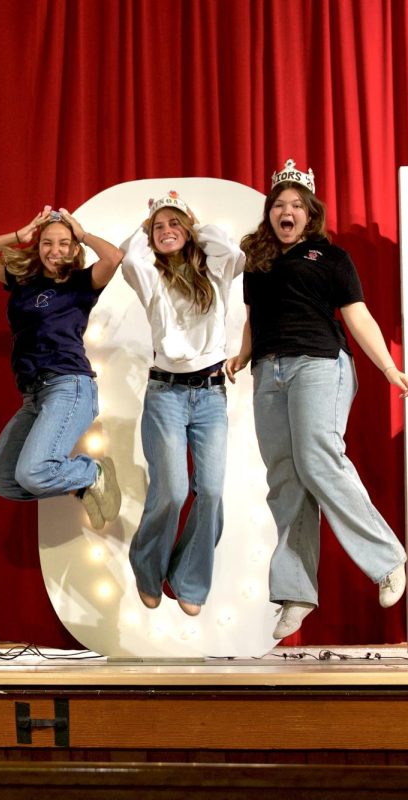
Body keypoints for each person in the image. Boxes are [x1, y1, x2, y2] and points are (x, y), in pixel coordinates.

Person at [226, 159, 408, 639]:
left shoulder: (330, 258)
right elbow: (254, 316)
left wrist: (389, 367)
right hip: (269, 369)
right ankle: (295, 592)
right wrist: (243, 354)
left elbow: (358, 316)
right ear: (270, 214)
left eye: (296, 206)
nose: (287, 212)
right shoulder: (258, 262)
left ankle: (387, 559)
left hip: (319, 363)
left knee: (317, 458)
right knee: (285, 478)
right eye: (279, 205)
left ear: (310, 214)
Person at [120, 191, 245, 616]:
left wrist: (193, 220)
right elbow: (129, 257)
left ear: (190, 230)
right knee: (171, 491)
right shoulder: (151, 277)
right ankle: (148, 566)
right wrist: (145, 224)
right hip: (166, 394)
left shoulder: (215, 273)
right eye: (159, 227)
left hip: (210, 395)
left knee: (209, 491)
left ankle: (189, 577)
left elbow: (231, 249)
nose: (166, 231)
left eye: (175, 225)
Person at [0, 207, 124, 529]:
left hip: (69, 385)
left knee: (33, 472)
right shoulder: (23, 281)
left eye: (64, 243)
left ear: (75, 248)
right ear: (37, 248)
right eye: (47, 243)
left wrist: (83, 234)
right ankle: (81, 486)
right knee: (3, 479)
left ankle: (93, 472)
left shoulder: (82, 282)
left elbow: (114, 258)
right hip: (33, 394)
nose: (55, 251)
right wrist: (18, 236)